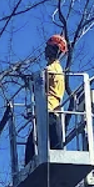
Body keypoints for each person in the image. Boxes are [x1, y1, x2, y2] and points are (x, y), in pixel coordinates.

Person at [25, 34, 68, 165]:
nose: (46, 50)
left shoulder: (53, 68)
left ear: (56, 50)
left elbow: (39, 80)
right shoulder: (55, 68)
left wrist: (31, 79)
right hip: (51, 113)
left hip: (49, 113)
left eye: (49, 48)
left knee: (32, 150)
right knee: (53, 149)